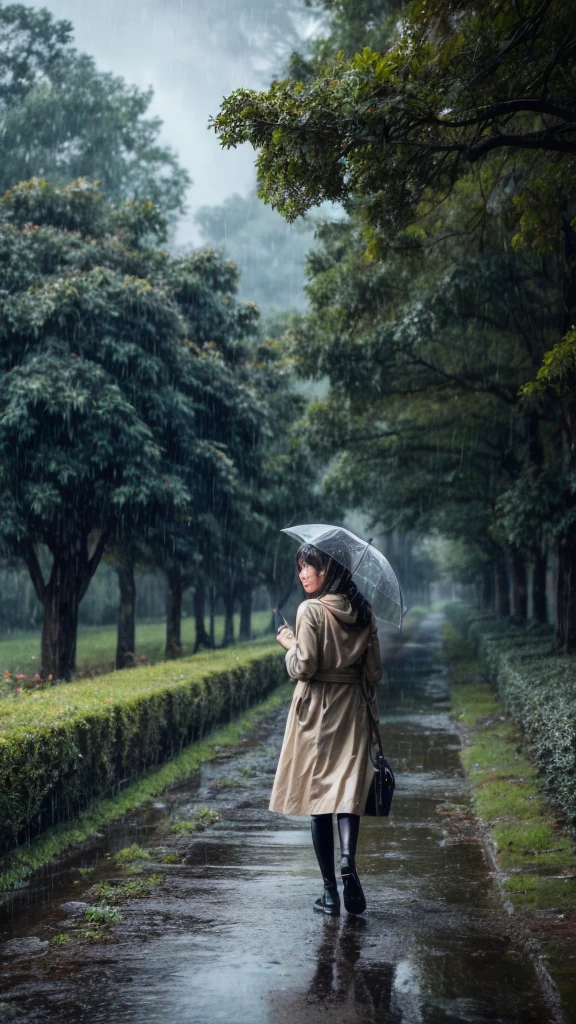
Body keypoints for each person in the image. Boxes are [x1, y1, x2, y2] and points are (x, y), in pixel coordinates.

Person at [270, 543, 382, 916]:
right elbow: (375, 672)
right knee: (347, 791)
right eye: (300, 566)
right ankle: (348, 860)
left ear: (329, 570)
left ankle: (330, 893)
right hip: (352, 709)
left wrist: (289, 645)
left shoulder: (310, 610)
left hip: (317, 710)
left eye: (310, 567)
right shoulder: (364, 611)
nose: (303, 574)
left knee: (319, 797)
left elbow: (304, 665)